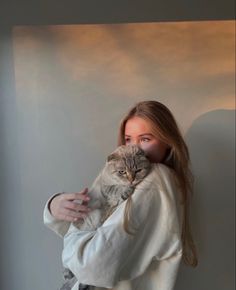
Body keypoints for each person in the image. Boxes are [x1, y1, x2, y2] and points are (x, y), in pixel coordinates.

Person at [44, 100, 198, 290]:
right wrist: (54, 206)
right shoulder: (130, 171)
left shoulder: (155, 180)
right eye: (128, 139)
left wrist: (71, 245)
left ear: (167, 141)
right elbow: (88, 218)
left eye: (145, 139)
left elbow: (92, 265)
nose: (135, 149)